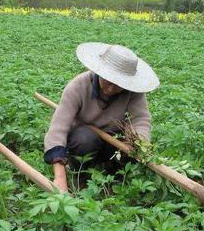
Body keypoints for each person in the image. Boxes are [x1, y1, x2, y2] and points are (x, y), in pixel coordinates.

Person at [44, 43, 160, 192]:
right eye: (108, 81)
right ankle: (81, 172)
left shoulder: (133, 92)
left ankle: (114, 173)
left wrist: (138, 142)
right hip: (83, 138)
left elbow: (140, 119)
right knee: (85, 139)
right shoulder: (78, 87)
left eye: (118, 85)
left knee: (128, 150)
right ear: (100, 72)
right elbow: (57, 129)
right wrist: (59, 177)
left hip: (111, 139)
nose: (111, 89)